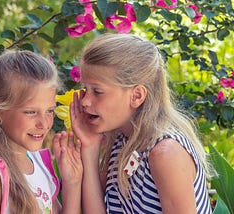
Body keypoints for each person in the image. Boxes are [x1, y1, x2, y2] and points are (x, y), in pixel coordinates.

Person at [69, 33, 214, 213]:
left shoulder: (165, 153)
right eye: (85, 89)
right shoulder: (121, 140)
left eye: (97, 91)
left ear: (137, 96)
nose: (85, 101)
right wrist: (90, 147)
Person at [0, 50, 82, 214]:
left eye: (49, 111)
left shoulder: (38, 165)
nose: (44, 123)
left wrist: (72, 182)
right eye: (30, 112)